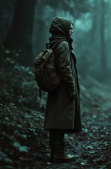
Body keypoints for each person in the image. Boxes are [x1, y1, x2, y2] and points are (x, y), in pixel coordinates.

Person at [43, 16, 82, 163]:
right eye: (70, 28)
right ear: (63, 29)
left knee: (55, 119)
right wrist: (71, 88)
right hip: (63, 89)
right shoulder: (63, 44)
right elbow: (66, 69)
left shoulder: (54, 43)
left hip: (56, 87)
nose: (71, 31)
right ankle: (58, 154)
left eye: (72, 28)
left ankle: (54, 152)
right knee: (60, 120)